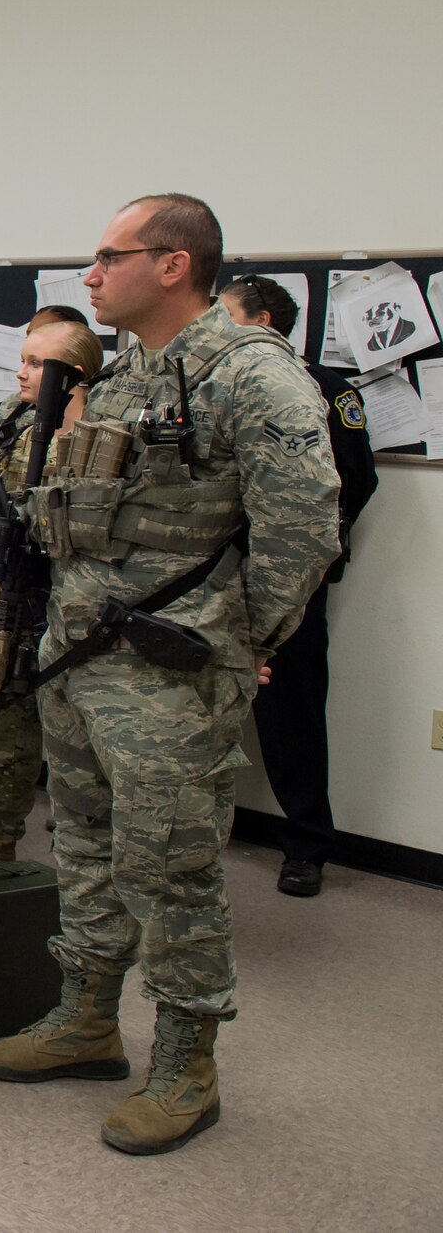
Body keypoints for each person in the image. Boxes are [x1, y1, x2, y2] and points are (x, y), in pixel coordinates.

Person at [0, 194, 341, 1158]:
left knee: (170, 866)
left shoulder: (252, 374)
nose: (89, 276)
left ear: (173, 264)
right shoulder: (127, 373)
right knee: (86, 845)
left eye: (108, 255)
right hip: (80, 654)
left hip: (171, 669)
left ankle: (186, 1063)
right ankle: (87, 1018)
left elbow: (304, 526)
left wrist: (237, 634)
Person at [220, 274, 376, 898]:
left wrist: (295, 565)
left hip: (288, 582)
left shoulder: (327, 391)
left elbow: (352, 484)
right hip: (213, 576)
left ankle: (308, 845)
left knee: (292, 718)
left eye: (225, 315)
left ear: (260, 322)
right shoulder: (213, 388)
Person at [0, 319, 102, 860]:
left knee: (86, 742)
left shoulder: (110, 437)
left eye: (37, 364)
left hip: (83, 607)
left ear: (76, 374)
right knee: (1, 726)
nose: (21, 372)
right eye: (23, 359)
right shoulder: (17, 423)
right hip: (17, 602)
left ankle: (87, 863)